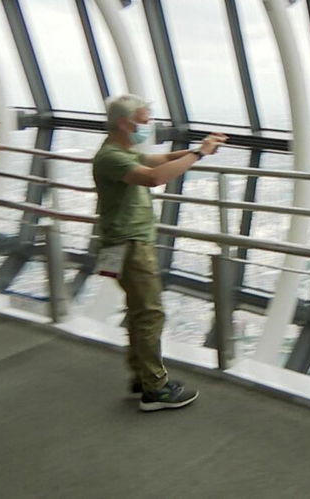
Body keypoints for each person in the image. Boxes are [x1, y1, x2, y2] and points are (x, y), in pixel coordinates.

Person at [93, 94, 225, 412]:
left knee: (140, 313)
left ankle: (142, 376)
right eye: (144, 118)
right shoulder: (111, 157)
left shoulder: (122, 150)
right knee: (151, 313)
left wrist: (200, 150)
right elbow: (153, 178)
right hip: (130, 245)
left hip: (123, 243)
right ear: (126, 122)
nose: (148, 124)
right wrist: (197, 153)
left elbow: (157, 161)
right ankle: (156, 389)